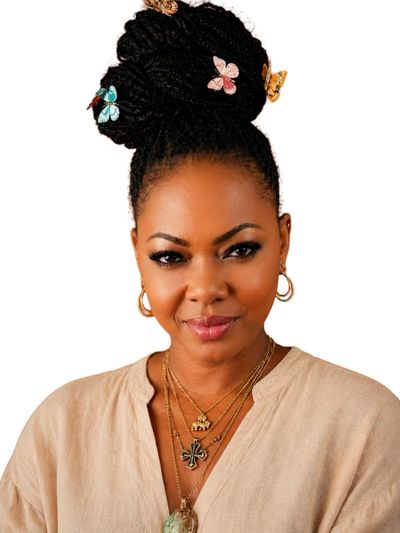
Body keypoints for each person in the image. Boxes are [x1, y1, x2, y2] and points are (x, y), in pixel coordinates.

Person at [1, 0, 399, 531]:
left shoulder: (362, 428)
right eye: (171, 256)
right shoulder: (62, 430)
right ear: (138, 254)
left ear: (283, 241)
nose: (206, 288)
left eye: (240, 249)